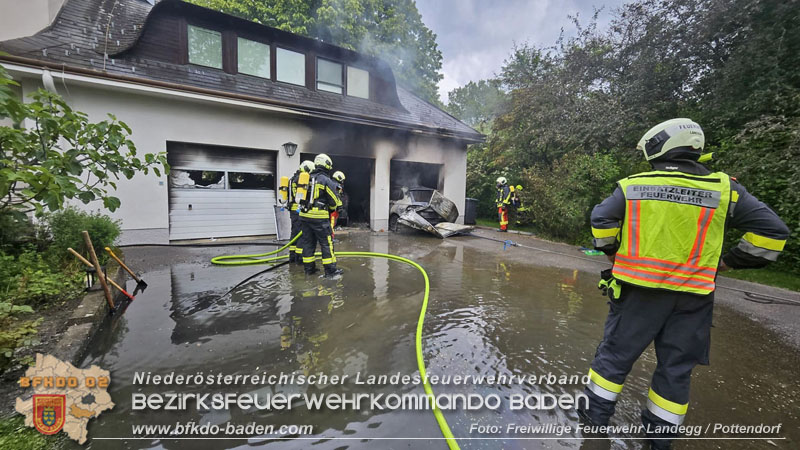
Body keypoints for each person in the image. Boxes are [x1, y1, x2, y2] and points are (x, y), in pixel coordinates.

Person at [580, 118, 789, 449]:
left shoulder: (634, 185)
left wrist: (613, 255)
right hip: (693, 298)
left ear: (659, 145)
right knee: (675, 369)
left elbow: (601, 220)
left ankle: (594, 420)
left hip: (638, 292)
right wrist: (729, 261)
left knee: (614, 358)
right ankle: (659, 439)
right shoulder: (725, 189)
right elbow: (774, 233)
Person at [299, 154, 343, 276]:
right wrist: (333, 208)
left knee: (308, 243)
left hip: (304, 216)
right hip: (319, 219)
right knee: (326, 243)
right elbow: (334, 201)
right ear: (327, 165)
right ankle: (330, 271)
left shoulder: (306, 178)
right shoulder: (325, 180)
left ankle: (309, 270)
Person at [288, 160, 315, 265]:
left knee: (294, 233)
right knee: (302, 235)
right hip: (299, 209)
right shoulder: (301, 179)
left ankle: (292, 256)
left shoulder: (292, 179)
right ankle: (299, 259)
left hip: (292, 210)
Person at [330, 170, 346, 238]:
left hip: (332, 208)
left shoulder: (331, 184)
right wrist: (340, 207)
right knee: (331, 224)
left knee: (332, 224)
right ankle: (331, 238)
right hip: (334, 209)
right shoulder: (337, 186)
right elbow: (337, 197)